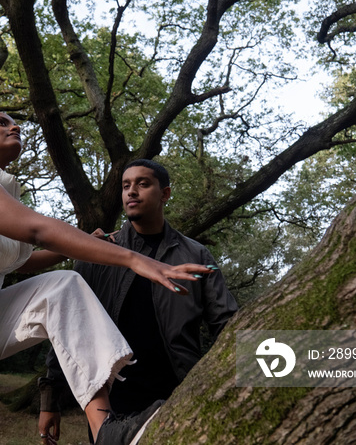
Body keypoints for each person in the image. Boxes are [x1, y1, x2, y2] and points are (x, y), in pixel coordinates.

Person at [0, 112, 215, 445]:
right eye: (1, 122)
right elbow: (37, 230)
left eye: (16, 124)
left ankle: (106, 431)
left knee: (63, 287)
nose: (14, 126)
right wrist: (134, 259)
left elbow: (20, 262)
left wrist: (83, 246)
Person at [38, 159, 239, 444]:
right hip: (110, 399)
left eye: (143, 184)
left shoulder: (197, 255)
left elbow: (226, 323)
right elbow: (67, 328)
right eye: (126, 186)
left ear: (165, 193)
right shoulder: (96, 252)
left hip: (178, 391)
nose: (131, 192)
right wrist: (50, 399)